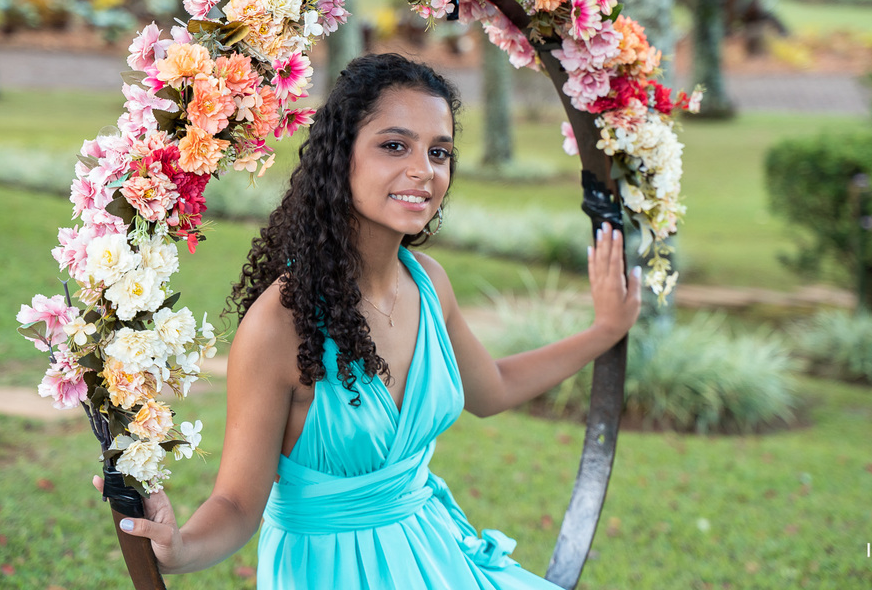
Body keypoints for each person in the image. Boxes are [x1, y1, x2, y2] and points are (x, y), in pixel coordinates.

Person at [94, 53, 642, 588]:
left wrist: (603, 331)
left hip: (433, 550)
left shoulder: (429, 284)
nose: (423, 170)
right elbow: (237, 503)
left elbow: (491, 389)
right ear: (340, 157)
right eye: (394, 145)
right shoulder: (279, 327)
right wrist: (179, 548)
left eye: (440, 152)